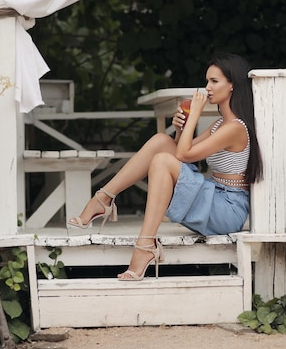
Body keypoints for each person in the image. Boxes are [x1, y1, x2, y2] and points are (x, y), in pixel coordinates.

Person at [67, 52, 263, 281]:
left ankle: (144, 245)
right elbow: (182, 152)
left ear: (232, 86)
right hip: (214, 197)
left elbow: (182, 154)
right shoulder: (221, 124)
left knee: (162, 159)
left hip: (227, 210)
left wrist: (195, 117)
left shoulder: (235, 128)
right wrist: (181, 128)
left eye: (214, 81)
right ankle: (104, 198)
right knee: (161, 141)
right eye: (207, 80)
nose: (207, 87)